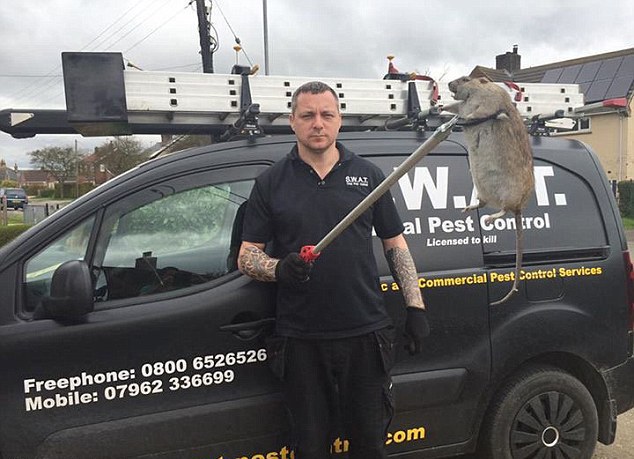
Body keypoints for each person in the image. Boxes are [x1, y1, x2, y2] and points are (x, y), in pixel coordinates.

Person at [238, 81, 429, 459]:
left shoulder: (369, 176)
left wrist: (416, 306)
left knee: (370, 446)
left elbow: (395, 244)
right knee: (310, 448)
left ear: (339, 120)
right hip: (301, 340)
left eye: (327, 114)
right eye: (307, 115)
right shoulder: (271, 183)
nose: (318, 123)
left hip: (365, 335)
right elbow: (247, 256)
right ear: (292, 121)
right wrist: (278, 269)